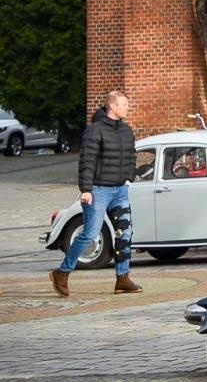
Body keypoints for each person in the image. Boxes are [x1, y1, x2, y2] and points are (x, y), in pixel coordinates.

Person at [51, 91, 140, 297]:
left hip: (120, 191)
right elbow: (87, 160)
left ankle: (122, 278)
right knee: (90, 233)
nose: (128, 107)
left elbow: (131, 156)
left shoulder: (127, 131)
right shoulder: (95, 131)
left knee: (125, 233)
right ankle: (62, 272)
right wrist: (86, 190)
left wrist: (129, 177)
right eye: (124, 104)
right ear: (113, 107)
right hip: (98, 191)